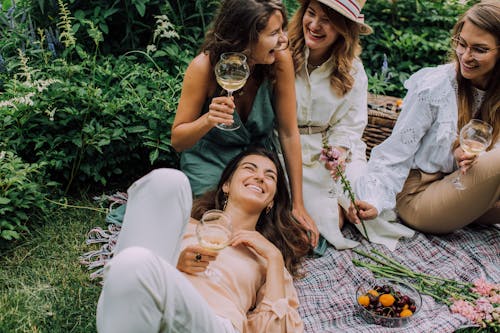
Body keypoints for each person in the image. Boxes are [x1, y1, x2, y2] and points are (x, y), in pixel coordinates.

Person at [96, 147, 311, 333]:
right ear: (226, 184)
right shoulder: (184, 225)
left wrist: (274, 256)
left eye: (270, 176)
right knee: (170, 181)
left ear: (271, 202)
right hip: (147, 304)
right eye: (249, 168)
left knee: (135, 263)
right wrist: (175, 263)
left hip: (213, 322)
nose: (259, 177)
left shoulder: (268, 259)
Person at [171, 0, 318, 244]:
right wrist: (208, 119)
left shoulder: (280, 61)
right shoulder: (203, 68)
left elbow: (289, 133)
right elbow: (178, 141)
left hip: (257, 159)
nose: (284, 39)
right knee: (217, 221)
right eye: (274, 33)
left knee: (282, 231)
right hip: (210, 160)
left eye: (282, 29)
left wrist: (297, 204)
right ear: (245, 38)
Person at [349, 0, 499, 233]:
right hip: (418, 197)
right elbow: (395, 152)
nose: (465, 56)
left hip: (461, 188)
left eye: (479, 49)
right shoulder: (435, 86)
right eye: (461, 44)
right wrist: (374, 199)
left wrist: (464, 156)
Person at [285, 0, 412, 252]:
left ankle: (340, 211)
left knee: (362, 204)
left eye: (328, 20)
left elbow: (351, 123)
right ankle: (332, 214)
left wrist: (339, 150)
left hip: (330, 149)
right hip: (287, 147)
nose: (315, 25)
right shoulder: (284, 55)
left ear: (345, 29)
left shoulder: (352, 69)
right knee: (312, 221)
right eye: (311, 14)